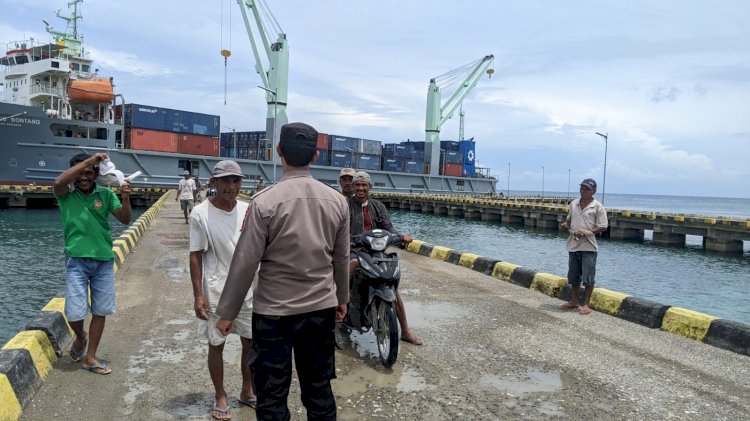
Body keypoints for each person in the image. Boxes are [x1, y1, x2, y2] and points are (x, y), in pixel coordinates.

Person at [216, 122, 350, 420]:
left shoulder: (264, 202)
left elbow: (245, 261)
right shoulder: (337, 201)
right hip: (320, 310)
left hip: (273, 314)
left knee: (272, 394)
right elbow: (341, 258)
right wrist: (342, 297)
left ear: (279, 152)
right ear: (315, 156)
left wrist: (228, 311)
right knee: (319, 389)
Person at [53, 152, 132, 375]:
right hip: (76, 260)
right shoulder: (64, 195)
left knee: (100, 310)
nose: (84, 177)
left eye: (89, 173)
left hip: (104, 261)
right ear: (74, 175)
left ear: (96, 174)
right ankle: (81, 337)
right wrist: (90, 161)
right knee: (74, 313)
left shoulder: (105, 194)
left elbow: (125, 219)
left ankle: (90, 357)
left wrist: (125, 198)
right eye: (80, 173)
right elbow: (59, 181)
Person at [189, 160, 256, 420]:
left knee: (250, 343)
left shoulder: (248, 209)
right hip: (217, 291)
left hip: (249, 290)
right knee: (216, 344)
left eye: (236, 180)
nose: (231, 186)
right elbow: (195, 256)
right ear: (213, 182)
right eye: (225, 180)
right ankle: (220, 394)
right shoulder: (200, 213)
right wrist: (198, 295)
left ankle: (247, 390)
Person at [348, 171, 423, 345]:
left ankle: (405, 330)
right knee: (352, 263)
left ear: (370, 187)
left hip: (376, 251)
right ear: (353, 187)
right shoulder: (345, 205)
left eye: (364, 185)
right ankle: (341, 306)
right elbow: (339, 228)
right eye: (357, 185)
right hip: (354, 249)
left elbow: (389, 227)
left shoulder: (378, 206)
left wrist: (401, 237)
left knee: (392, 287)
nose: (360, 188)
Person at [560, 178, 609, 315]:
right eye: (582, 188)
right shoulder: (574, 203)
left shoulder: (598, 207)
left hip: (589, 246)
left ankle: (586, 303)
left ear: (594, 191)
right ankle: (574, 301)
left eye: (587, 189)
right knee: (573, 275)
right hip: (573, 244)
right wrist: (565, 225)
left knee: (588, 277)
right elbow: (568, 220)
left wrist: (587, 232)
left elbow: (603, 227)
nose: (583, 191)